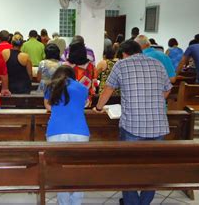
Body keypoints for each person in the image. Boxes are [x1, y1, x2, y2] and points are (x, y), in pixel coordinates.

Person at [93, 40, 172, 205]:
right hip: (158, 126)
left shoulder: (121, 65)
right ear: (140, 51)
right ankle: (144, 203)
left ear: (124, 53)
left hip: (133, 127)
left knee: (128, 167)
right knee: (152, 170)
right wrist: (153, 101)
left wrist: (99, 108)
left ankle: (132, 203)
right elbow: (167, 89)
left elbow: (108, 89)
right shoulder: (157, 64)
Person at [44, 65, 89, 205]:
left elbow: (48, 107)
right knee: (79, 170)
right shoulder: (82, 87)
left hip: (56, 131)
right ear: (72, 75)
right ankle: (76, 202)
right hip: (80, 131)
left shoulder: (50, 86)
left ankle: (63, 202)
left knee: (59, 170)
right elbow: (84, 105)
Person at [63, 42, 96, 106]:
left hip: (68, 103)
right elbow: (94, 85)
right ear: (84, 52)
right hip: (86, 102)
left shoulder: (65, 66)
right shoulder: (91, 66)